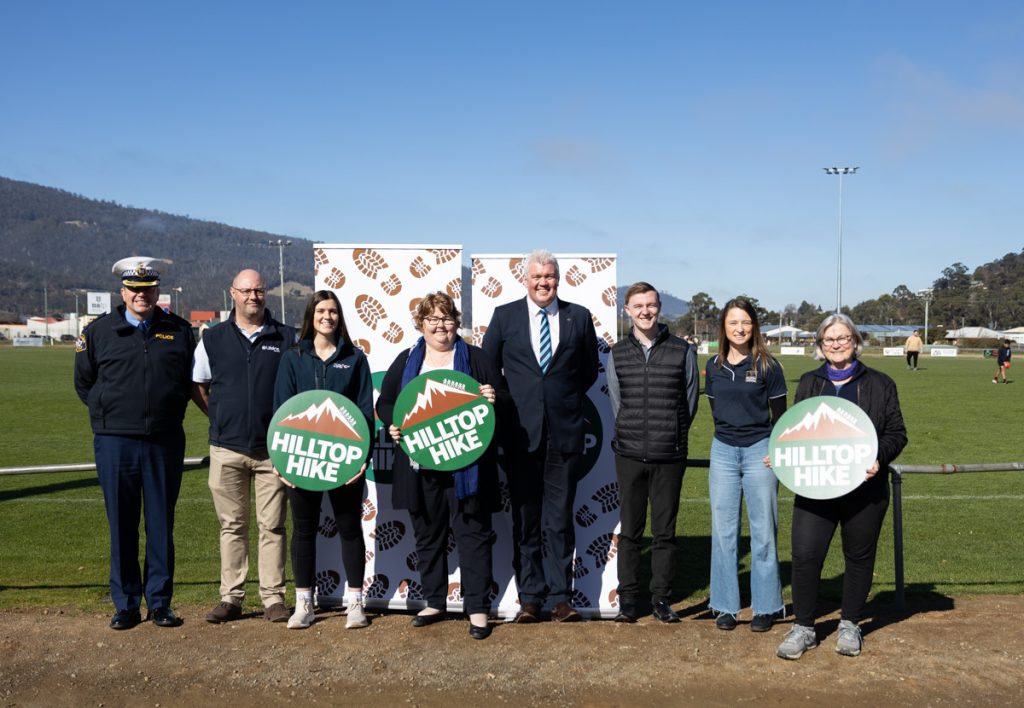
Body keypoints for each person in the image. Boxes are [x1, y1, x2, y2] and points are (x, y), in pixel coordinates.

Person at [376, 292, 509, 640]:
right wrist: (394, 423)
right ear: (421, 324)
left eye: (447, 318)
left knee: (473, 536)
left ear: (457, 323)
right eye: (433, 319)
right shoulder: (408, 359)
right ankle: (434, 601)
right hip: (421, 466)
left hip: (468, 466)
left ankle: (477, 608)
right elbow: (387, 402)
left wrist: (494, 398)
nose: (440, 325)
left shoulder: (476, 359)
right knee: (428, 535)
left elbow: (504, 400)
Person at [776, 313, 907, 660]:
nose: (836, 345)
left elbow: (897, 433)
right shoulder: (808, 382)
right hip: (815, 489)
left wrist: (878, 457)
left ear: (855, 341)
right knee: (805, 556)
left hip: (865, 491)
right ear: (819, 345)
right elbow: (797, 431)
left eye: (843, 338)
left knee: (859, 557)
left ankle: (850, 624)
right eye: (828, 340)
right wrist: (783, 454)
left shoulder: (880, 384)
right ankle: (804, 627)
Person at [74, 257, 195, 630]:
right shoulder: (98, 332)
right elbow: (84, 383)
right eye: (135, 290)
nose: (142, 295)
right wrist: (106, 412)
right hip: (115, 443)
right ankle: (125, 603)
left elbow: (193, 380)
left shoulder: (179, 331)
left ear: (158, 291)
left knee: (161, 524)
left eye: (148, 289)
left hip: (163, 440)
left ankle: (160, 602)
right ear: (122, 292)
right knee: (122, 525)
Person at [482, 249, 599, 623]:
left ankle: (561, 597)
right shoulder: (504, 316)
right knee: (526, 518)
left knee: (559, 519)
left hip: (563, 434)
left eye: (549, 277)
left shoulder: (578, 317)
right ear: (525, 280)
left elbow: (588, 372)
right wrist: (511, 402)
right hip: (518, 433)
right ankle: (530, 597)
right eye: (537, 277)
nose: (543, 283)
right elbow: (489, 367)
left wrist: (559, 399)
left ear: (558, 279)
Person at [191, 269, 295, 624]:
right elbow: (199, 386)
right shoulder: (213, 338)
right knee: (232, 526)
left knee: (273, 526)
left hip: (273, 450)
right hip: (227, 449)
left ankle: (273, 599)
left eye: (259, 290)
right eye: (246, 291)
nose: (253, 296)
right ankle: (231, 597)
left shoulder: (286, 337)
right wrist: (220, 417)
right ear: (232, 294)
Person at [273, 290, 374, 630]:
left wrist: (362, 459)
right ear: (310, 316)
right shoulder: (293, 357)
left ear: (339, 316)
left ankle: (356, 603)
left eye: (333, 311)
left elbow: (363, 413)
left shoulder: (355, 358)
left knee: (349, 528)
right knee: (303, 531)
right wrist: (281, 459)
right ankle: (304, 603)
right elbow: (280, 409)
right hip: (301, 459)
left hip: (344, 461)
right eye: (321, 310)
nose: (327, 316)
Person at [606, 282, 698, 623]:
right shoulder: (616, 353)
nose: (645, 311)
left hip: (669, 454)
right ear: (627, 311)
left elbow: (689, 403)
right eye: (638, 306)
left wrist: (671, 435)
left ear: (659, 307)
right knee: (630, 531)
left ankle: (661, 599)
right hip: (629, 454)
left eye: (651, 305)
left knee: (665, 532)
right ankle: (628, 600)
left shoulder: (682, 350)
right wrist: (633, 433)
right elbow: (618, 404)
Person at [704, 297, 787, 632]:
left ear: (755, 326)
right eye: (733, 323)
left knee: (764, 532)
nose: (739, 329)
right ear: (724, 327)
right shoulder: (712, 365)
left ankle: (766, 607)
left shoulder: (768, 366)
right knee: (724, 534)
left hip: (760, 452)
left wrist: (775, 450)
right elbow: (715, 410)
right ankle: (725, 606)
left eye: (746, 322)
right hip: (723, 451)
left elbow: (782, 418)